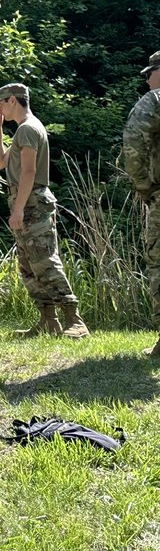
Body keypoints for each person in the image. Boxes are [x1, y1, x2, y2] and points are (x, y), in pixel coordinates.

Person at [0, 83, 89, 339]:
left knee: (45, 260)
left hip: (32, 202)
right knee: (28, 263)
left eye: (0, 103)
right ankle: (48, 321)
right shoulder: (23, 131)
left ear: (12, 100)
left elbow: (30, 172)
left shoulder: (28, 129)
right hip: (26, 201)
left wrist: (19, 209)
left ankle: (74, 320)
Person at [123, 51, 160, 355]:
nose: (147, 79)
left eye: (150, 73)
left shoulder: (155, 100)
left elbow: (133, 146)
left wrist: (145, 187)